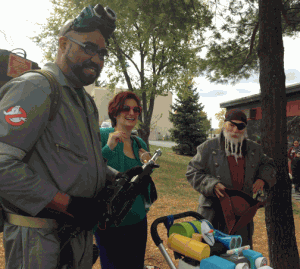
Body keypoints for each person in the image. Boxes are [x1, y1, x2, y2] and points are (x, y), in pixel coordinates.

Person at [0, 5, 142, 269]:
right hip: (38, 240)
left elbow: (82, 161)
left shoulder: (84, 101)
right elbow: (3, 166)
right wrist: (69, 205)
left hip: (74, 237)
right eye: (88, 48)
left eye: (102, 53)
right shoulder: (37, 87)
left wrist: (120, 178)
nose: (97, 59)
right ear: (63, 43)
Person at [186, 109, 276, 248]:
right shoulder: (208, 148)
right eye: (231, 125)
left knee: (239, 257)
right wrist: (212, 184)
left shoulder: (254, 149)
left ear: (245, 129)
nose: (235, 130)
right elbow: (192, 171)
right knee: (211, 257)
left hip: (242, 217)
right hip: (213, 214)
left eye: (240, 127)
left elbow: (269, 165)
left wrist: (262, 179)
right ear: (224, 125)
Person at [94, 91, 156, 269]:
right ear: (115, 111)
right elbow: (91, 170)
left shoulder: (139, 144)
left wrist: (148, 164)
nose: (132, 113)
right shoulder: (102, 135)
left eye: (136, 109)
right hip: (109, 220)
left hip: (137, 218)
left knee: (136, 265)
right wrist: (109, 147)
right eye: (126, 108)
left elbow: (140, 181)